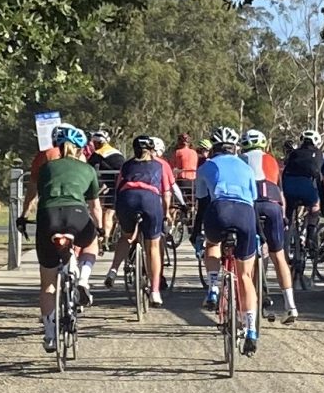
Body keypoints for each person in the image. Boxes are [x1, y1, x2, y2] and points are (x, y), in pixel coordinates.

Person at [15, 125, 103, 353]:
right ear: (81, 149)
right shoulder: (87, 170)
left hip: (48, 217)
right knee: (91, 241)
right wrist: (101, 228)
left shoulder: (46, 167)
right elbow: (95, 207)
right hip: (77, 215)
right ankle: (83, 278)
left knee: (48, 284)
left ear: (57, 145)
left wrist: (23, 216)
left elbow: (32, 194)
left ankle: (49, 334)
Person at [193, 126, 262, 356]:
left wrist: (197, 233)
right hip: (245, 214)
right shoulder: (246, 167)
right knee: (245, 276)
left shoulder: (206, 166)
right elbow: (253, 199)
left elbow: (202, 203)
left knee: (212, 244)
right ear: (234, 148)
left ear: (214, 148)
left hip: (219, 210)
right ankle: (251, 330)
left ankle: (213, 287)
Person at [104, 135, 179, 304]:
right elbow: (166, 194)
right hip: (149, 200)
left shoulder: (126, 165)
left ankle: (113, 270)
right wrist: (166, 213)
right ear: (152, 150)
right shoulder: (160, 165)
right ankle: (155, 291)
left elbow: (118, 189)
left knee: (126, 236)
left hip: (127, 199)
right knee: (153, 245)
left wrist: (117, 211)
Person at [240, 129, 299, 324]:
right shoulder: (272, 160)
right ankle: (290, 306)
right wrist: (283, 216)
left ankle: (251, 304)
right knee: (279, 256)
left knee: (247, 256)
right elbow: (281, 193)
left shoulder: (240, 159)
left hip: (251, 205)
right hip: (273, 206)